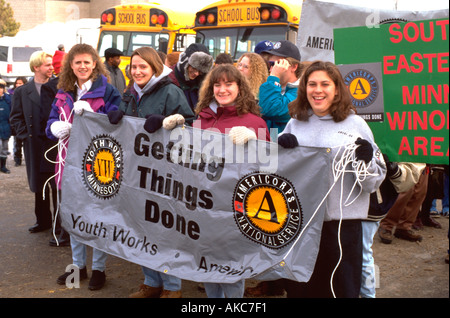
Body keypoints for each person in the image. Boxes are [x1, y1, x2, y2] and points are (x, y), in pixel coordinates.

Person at [278, 61, 386, 298]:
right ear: (304, 88)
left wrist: (366, 161)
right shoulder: (294, 124)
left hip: (341, 228)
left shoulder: (356, 124)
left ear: (337, 89)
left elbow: (372, 183)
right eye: (312, 84)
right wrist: (281, 151)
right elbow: (278, 178)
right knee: (301, 289)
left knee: (340, 290)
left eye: (325, 84)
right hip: (301, 224)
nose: (318, 90)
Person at [107, 46, 195, 298]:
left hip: (166, 174)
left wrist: (170, 121)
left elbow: (189, 123)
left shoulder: (170, 91)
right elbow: (125, 126)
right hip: (136, 172)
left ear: (154, 67)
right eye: (133, 67)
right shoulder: (129, 93)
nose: (137, 71)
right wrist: (115, 118)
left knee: (166, 230)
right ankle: (151, 281)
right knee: (140, 226)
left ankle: (172, 286)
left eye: (142, 66)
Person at [46, 43, 121, 291]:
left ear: (95, 63)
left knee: (98, 216)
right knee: (74, 215)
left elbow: (118, 122)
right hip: (68, 161)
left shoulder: (107, 91)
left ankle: (99, 268)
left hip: (98, 164)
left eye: (87, 62)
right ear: (71, 65)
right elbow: (50, 123)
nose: (82, 66)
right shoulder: (63, 91)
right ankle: (78, 266)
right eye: (77, 62)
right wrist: (54, 128)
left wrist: (93, 115)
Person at [194, 65, 270, 297]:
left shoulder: (255, 122)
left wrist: (256, 138)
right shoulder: (202, 119)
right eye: (217, 84)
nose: (222, 89)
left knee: (232, 272)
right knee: (206, 267)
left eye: (229, 84)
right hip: (205, 207)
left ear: (240, 87)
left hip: (236, 211)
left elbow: (269, 166)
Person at [10, 51, 55, 234]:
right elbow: (15, 118)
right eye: (47, 65)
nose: (52, 67)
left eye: (52, 64)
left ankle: (60, 223)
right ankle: (43, 220)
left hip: (54, 143)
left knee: (57, 185)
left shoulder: (59, 87)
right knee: (39, 185)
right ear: (36, 67)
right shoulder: (22, 91)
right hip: (34, 145)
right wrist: (25, 136)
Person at [258, 40, 302, 140]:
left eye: (277, 64)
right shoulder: (271, 86)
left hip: (284, 151)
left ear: (294, 67)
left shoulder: (300, 92)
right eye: (271, 64)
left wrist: (274, 77)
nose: (272, 69)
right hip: (267, 148)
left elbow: (272, 110)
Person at [378, 164, 428, 244]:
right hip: (407, 158)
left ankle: (404, 226)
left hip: (424, 159)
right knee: (405, 190)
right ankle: (387, 225)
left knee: (419, 192)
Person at [168, 43, 214, 111]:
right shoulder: (167, 80)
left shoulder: (201, 83)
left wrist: (197, 122)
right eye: (194, 68)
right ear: (185, 62)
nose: (196, 74)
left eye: (200, 71)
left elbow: (199, 114)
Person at [8, 77, 27, 166]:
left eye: (21, 83)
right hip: (17, 122)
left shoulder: (27, 93)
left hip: (26, 121)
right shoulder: (12, 94)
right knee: (17, 142)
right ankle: (17, 158)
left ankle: (27, 158)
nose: (18, 85)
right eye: (17, 83)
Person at [0, 79, 11, 173]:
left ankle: (3, 166)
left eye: (1, 88)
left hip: (5, 128)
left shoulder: (8, 100)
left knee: (4, 148)